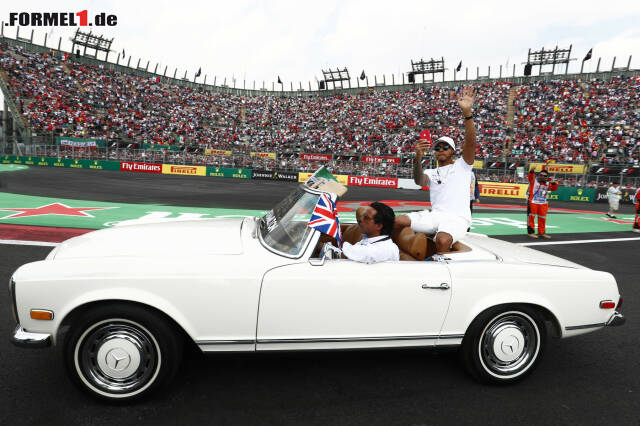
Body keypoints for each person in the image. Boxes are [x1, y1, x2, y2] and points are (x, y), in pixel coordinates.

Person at [394, 86, 477, 257]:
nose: (440, 149)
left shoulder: (462, 166)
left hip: (458, 218)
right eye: (437, 147)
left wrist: (467, 114)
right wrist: (417, 157)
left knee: (442, 240)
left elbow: (471, 143)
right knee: (398, 221)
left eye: (445, 147)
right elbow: (419, 180)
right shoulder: (431, 172)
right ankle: (397, 257)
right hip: (435, 215)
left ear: (453, 151)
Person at [526, 164, 558, 239]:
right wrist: (532, 171)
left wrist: (554, 183)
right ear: (539, 175)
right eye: (541, 175)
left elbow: (554, 189)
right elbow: (530, 176)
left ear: (546, 177)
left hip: (543, 203)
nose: (542, 176)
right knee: (531, 218)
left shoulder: (548, 183)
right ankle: (531, 232)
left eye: (544, 176)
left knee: (542, 218)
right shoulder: (534, 181)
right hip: (533, 202)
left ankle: (541, 233)